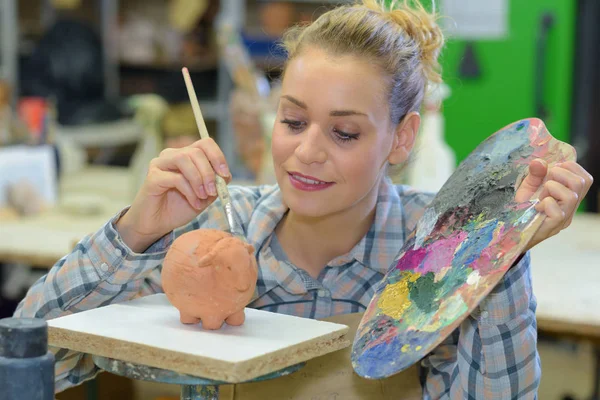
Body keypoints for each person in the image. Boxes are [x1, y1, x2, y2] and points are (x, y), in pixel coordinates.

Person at [15, 0, 593, 398]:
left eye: (344, 133)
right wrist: (136, 231)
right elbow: (29, 362)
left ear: (403, 138)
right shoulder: (217, 231)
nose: (306, 153)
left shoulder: (438, 248)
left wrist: (499, 251)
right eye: (293, 121)